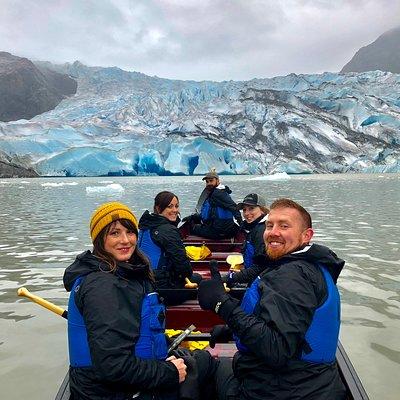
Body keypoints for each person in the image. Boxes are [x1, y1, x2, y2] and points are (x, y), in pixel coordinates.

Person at [198, 198, 346, 400]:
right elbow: (286, 324)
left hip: (279, 390)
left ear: (306, 236)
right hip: (309, 383)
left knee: (199, 366)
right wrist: (232, 330)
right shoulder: (307, 266)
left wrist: (222, 304)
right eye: (269, 225)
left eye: (284, 226)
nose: (273, 232)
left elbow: (277, 349)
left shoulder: (292, 275)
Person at [63, 201, 187, 399]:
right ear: (99, 239)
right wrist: (169, 372)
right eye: (114, 233)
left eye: (130, 232)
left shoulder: (123, 273)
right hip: (109, 393)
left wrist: (161, 343)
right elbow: (113, 366)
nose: (125, 240)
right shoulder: (103, 286)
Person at [138, 191, 202, 304]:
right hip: (161, 289)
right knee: (199, 281)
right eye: (169, 206)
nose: (175, 210)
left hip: (142, 283)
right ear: (158, 208)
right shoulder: (168, 230)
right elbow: (184, 269)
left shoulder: (145, 226)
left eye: (176, 206)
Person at [224, 193, 269, 287]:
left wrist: (232, 277)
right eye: (244, 210)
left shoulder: (262, 231)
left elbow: (260, 267)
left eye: (251, 208)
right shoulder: (252, 228)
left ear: (262, 210)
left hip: (262, 283)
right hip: (255, 278)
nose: (247, 213)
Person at [189, 170, 242, 239]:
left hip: (219, 233)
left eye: (211, 181)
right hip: (227, 230)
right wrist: (195, 216)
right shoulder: (220, 192)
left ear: (217, 181)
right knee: (196, 220)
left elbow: (233, 207)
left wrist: (241, 223)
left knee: (192, 228)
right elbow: (210, 214)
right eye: (207, 182)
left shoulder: (217, 194)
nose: (208, 183)